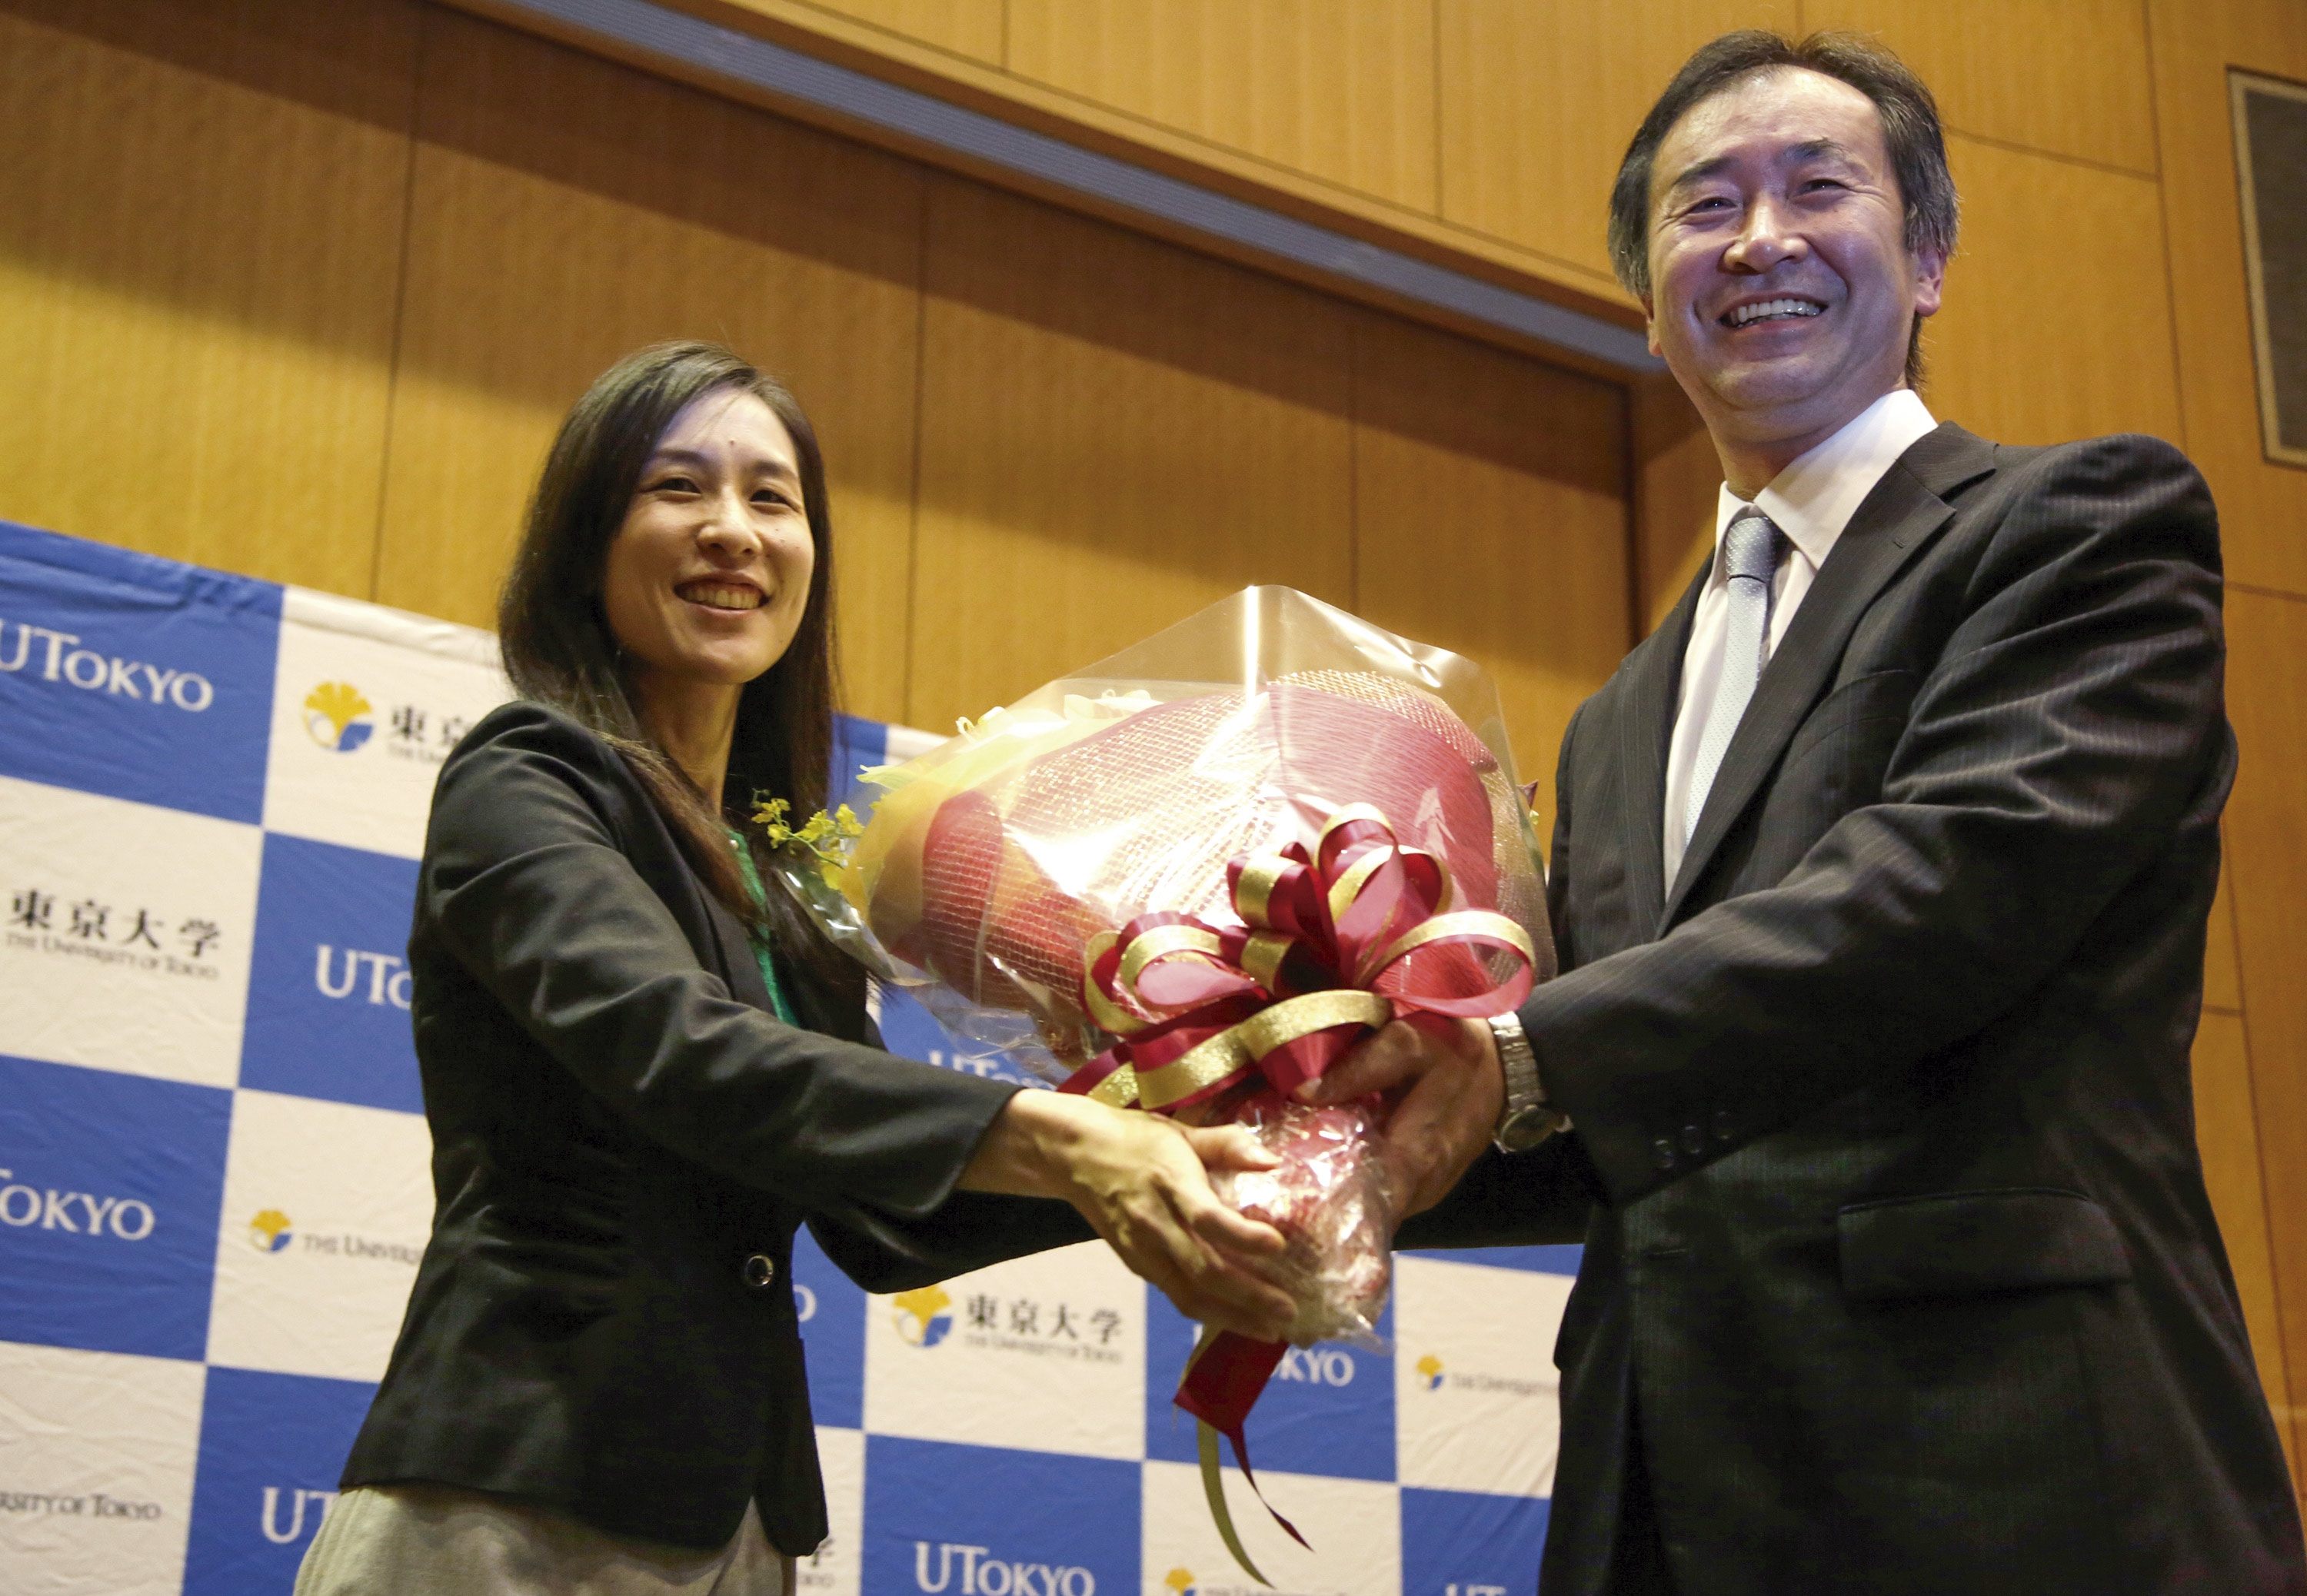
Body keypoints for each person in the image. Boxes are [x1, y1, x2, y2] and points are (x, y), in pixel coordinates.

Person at [1318, 31, 2307, 1596]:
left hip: (2007, 1466)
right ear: (1651, 301)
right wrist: (1304, 1136)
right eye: (1705, 207)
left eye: (1816, 187)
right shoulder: (1617, 716)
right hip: (1665, 1489)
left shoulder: (2082, 529)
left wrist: (1516, 1054)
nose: (1760, 237)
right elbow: (1627, 1086)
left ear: (1926, 258)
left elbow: (1946, 888)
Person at [296, 342, 1293, 1596]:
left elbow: (882, 1218)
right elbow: (684, 1052)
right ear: (584, 540)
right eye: (678, 489)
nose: (733, 532)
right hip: (514, 1502)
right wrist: (1076, 1144)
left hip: (741, 1528)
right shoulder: (527, 777)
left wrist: (1195, 1118)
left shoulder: (778, 877)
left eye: (773, 500)